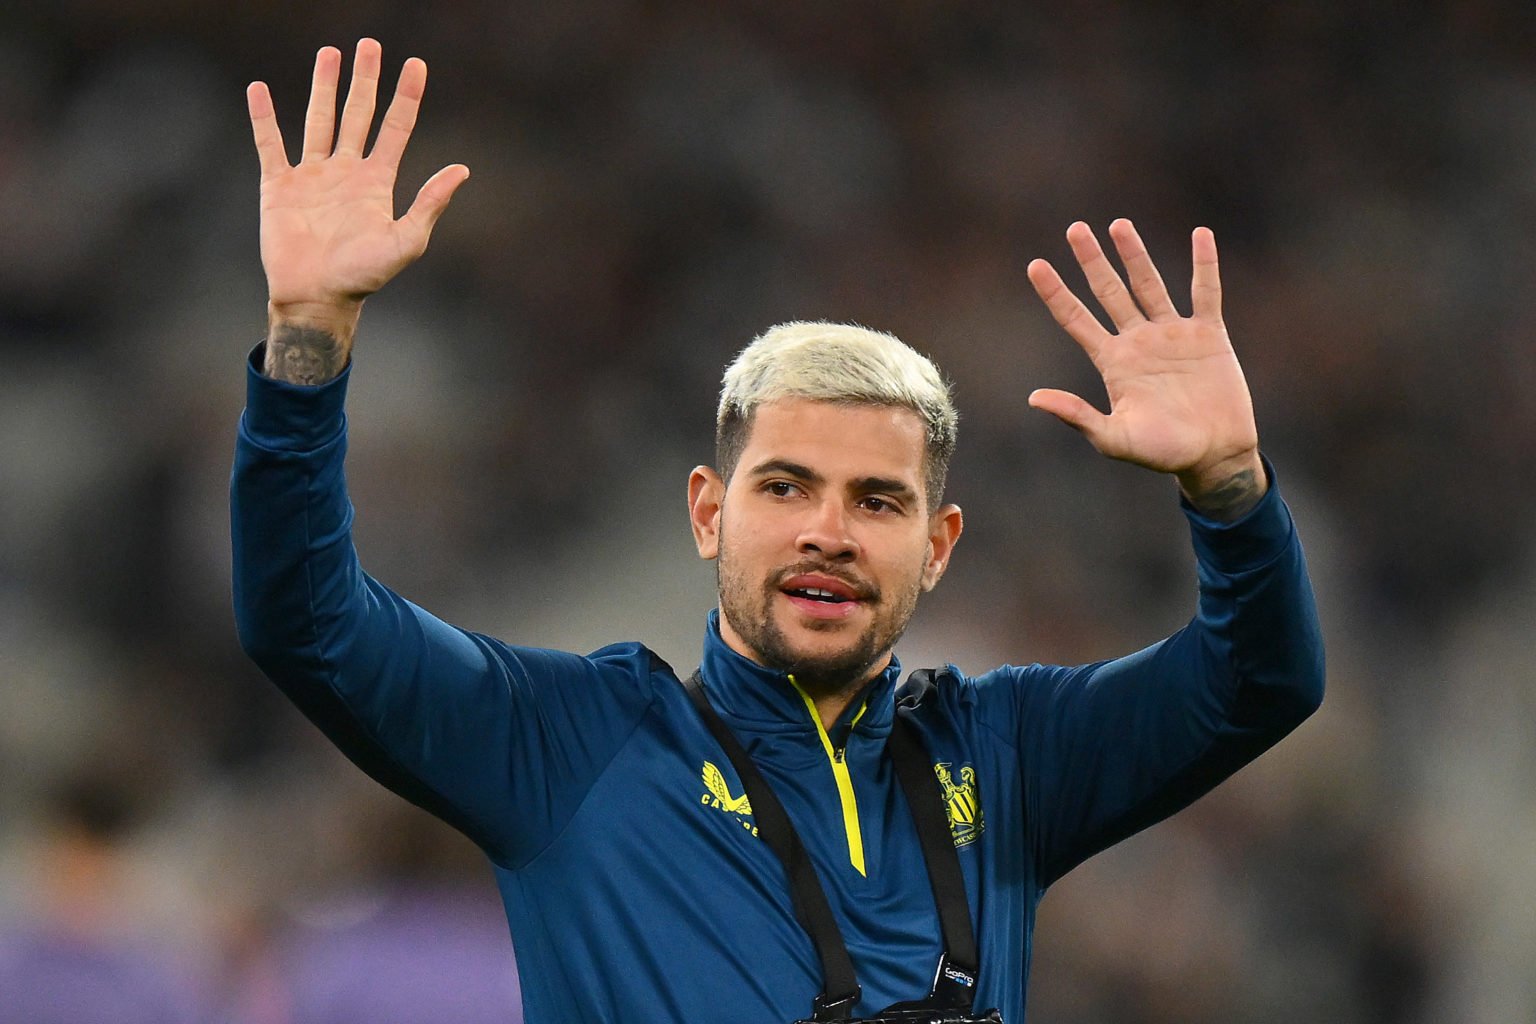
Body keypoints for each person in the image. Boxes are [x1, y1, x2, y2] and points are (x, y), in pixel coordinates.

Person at [232, 39, 1324, 1024]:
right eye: (788, 488)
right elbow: (307, 622)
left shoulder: (1008, 759)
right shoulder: (573, 746)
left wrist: (1230, 487)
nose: (830, 532)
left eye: (878, 501)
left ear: (940, 545)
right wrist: (307, 343)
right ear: (709, 512)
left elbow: (1263, 679)